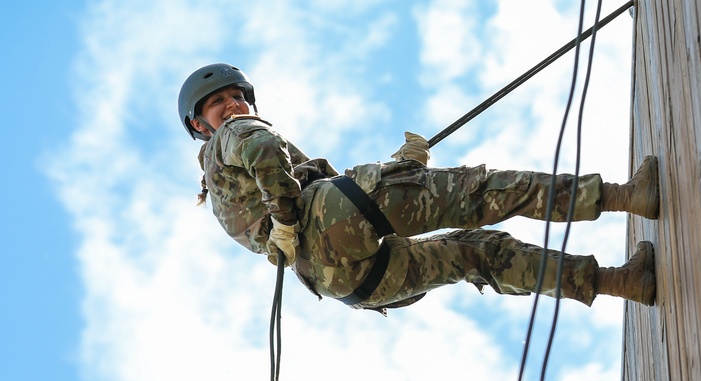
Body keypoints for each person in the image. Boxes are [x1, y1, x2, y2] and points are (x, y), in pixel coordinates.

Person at [179, 63, 660, 312]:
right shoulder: (233, 136)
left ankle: (624, 284)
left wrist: (402, 170)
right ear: (201, 125)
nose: (235, 105)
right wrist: (287, 217)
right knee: (481, 193)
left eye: (238, 96)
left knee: (479, 256)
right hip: (335, 223)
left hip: (347, 281)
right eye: (220, 102)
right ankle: (626, 196)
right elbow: (264, 148)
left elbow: (316, 197)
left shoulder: (221, 198)